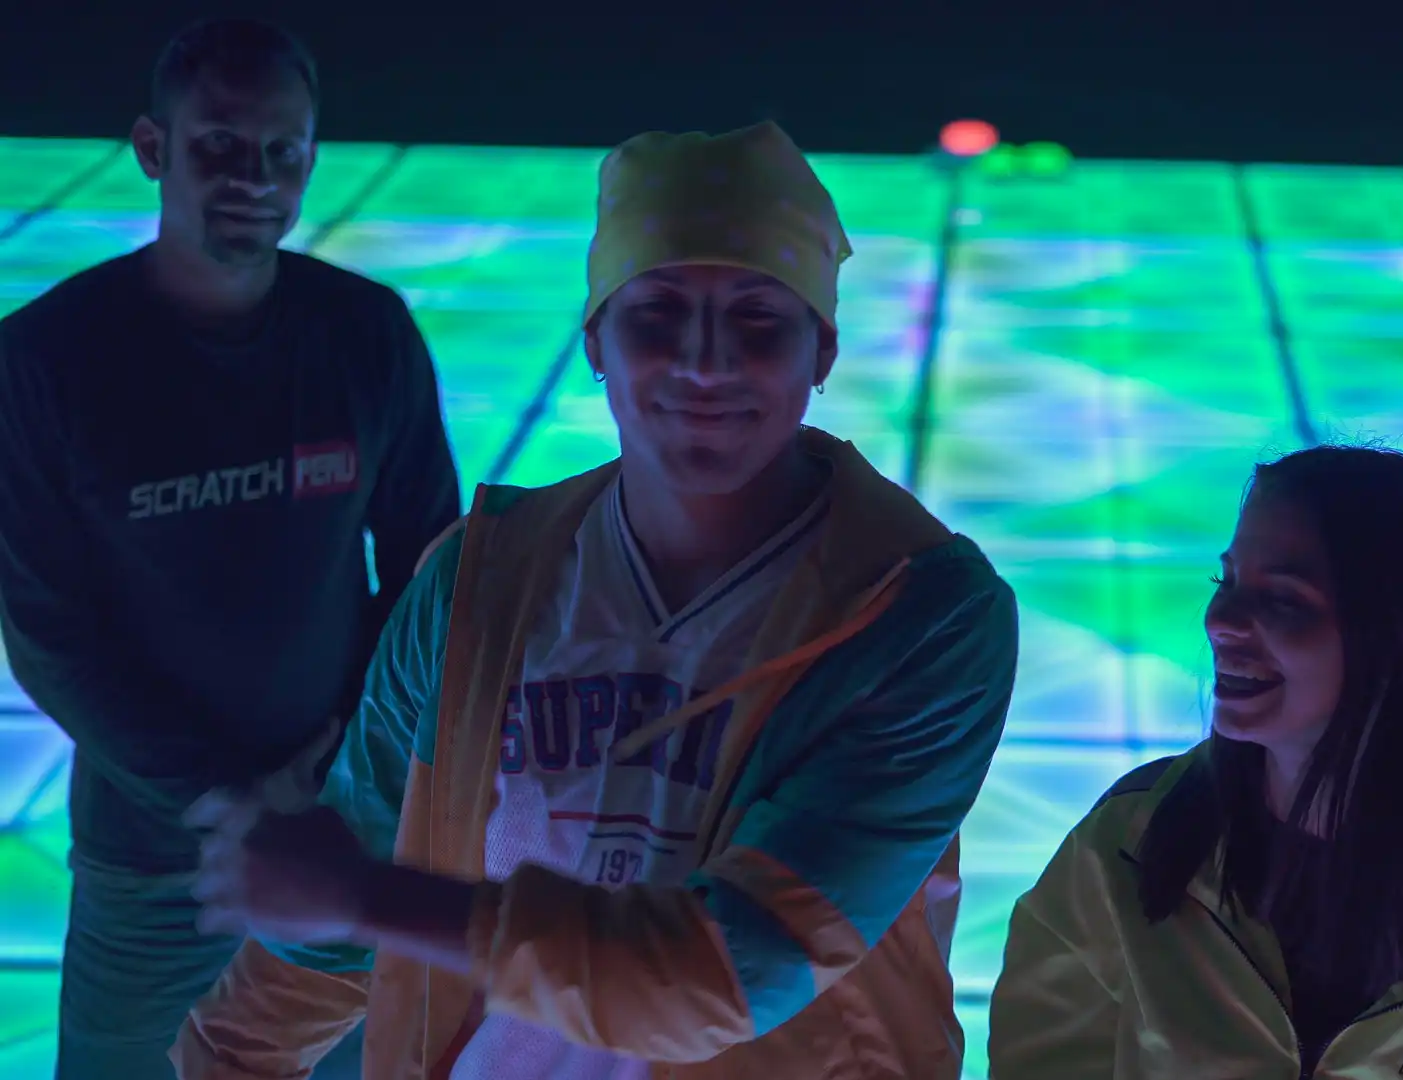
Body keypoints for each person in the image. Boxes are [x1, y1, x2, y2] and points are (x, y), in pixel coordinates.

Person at [169, 120, 1019, 1080]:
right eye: (656, 312)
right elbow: (349, 878)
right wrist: (227, 1054)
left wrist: (369, 899)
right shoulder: (478, 580)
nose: (706, 362)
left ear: (821, 353)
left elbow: (737, 970)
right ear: (594, 344)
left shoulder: (921, 616)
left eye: (758, 319)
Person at [0, 17, 459, 1080]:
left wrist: (339, 773)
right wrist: (229, 803)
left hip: (343, 830)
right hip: (157, 861)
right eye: (218, 145)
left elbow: (431, 578)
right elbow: (52, 636)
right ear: (154, 149)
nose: (252, 176)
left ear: (310, 157)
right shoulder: (43, 361)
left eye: (280, 151)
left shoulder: (366, 333)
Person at [989, 445, 1403, 1079]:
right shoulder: (1129, 840)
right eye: (1228, 581)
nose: (1221, 620)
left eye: (1284, 602)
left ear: (1401, 636)